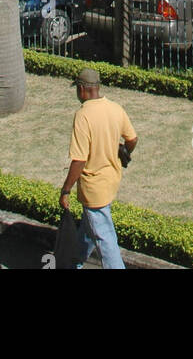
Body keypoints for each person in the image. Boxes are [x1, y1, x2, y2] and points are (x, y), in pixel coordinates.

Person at [60, 67, 137, 270]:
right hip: (111, 181)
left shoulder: (83, 115)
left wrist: (66, 189)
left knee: (105, 241)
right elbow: (132, 138)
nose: (77, 93)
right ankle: (72, 262)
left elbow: (79, 160)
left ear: (83, 89)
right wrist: (123, 150)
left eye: (77, 89)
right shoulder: (114, 108)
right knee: (88, 228)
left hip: (93, 188)